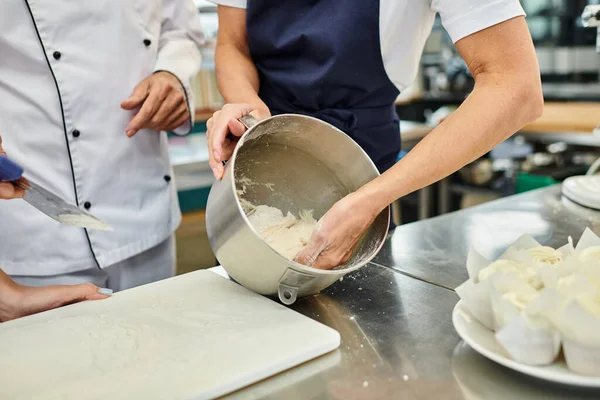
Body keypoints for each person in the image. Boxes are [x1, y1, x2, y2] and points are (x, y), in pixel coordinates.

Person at [206, 0, 543, 270]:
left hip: (363, 163)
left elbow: (516, 87)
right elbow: (232, 44)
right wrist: (251, 114)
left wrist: (373, 198)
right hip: (260, 154)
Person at [0, 0, 204, 321]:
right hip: (38, 230)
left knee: (161, 355)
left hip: (146, 207)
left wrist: (173, 74)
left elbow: (182, 30)